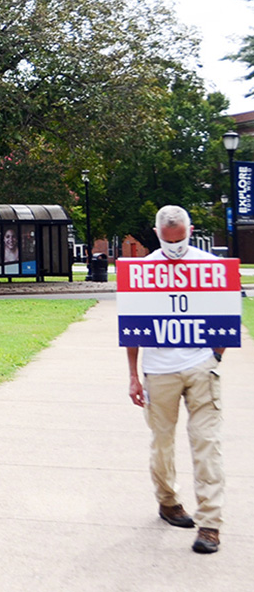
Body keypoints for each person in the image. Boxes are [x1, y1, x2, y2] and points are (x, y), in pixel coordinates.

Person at [126, 205, 225, 554]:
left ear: (191, 230)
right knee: (162, 442)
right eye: (169, 241)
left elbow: (225, 315)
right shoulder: (142, 271)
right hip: (159, 368)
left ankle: (210, 523)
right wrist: (134, 377)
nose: (175, 247)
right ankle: (168, 502)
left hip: (200, 365)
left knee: (206, 442)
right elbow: (132, 328)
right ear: (156, 233)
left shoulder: (209, 266)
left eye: (181, 239)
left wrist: (215, 355)